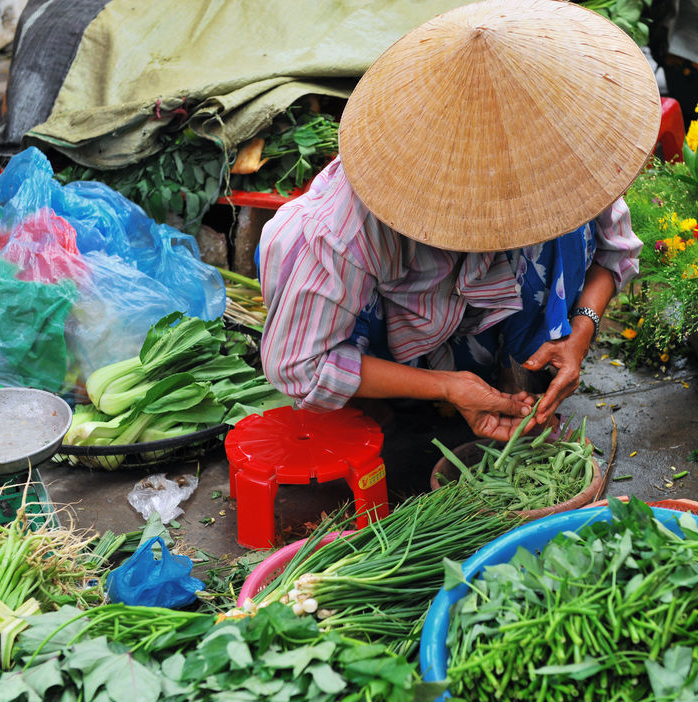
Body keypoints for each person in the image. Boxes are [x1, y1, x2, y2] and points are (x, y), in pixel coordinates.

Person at [258, 0, 661, 442]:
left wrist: (581, 331)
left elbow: (615, 249)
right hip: (399, 333)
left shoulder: (560, 154)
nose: (505, 215)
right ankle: (390, 396)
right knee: (347, 330)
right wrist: (446, 387)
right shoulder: (344, 228)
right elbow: (299, 365)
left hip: (472, 313)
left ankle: (521, 364)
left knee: (571, 231)